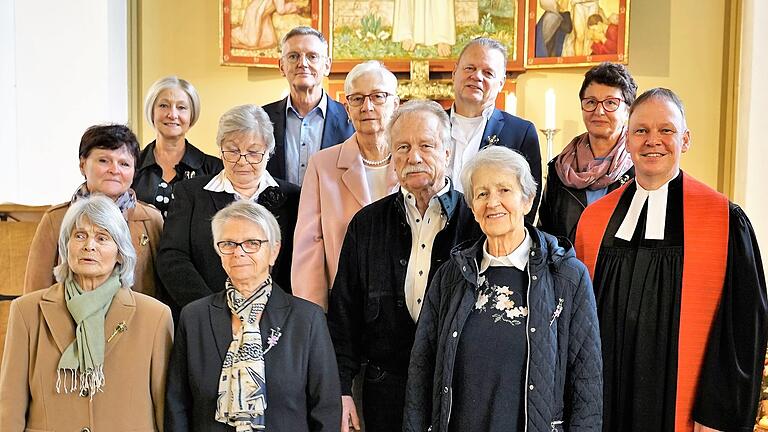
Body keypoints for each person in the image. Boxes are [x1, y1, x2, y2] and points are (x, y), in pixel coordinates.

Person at [575, 88, 768, 431]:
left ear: (686, 140)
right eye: (641, 131)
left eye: (666, 130)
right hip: (606, 399)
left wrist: (717, 416)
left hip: (682, 407)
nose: (653, 141)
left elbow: (743, 329)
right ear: (627, 140)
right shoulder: (594, 221)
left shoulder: (723, 220)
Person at [404, 146, 602, 432]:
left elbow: (587, 381)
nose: (492, 202)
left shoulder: (567, 276)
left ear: (527, 200)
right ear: (472, 208)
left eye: (504, 190)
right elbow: (420, 370)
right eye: (482, 194)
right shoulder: (450, 276)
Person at [328, 100, 482, 432]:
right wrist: (342, 390)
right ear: (392, 158)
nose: (413, 157)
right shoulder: (366, 224)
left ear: (447, 152)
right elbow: (343, 314)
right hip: (385, 392)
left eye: (426, 145)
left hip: (458, 391)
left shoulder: (476, 223)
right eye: (402, 147)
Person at [0, 196, 173, 431]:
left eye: (102, 238)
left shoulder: (156, 317)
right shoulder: (27, 311)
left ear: (121, 253)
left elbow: (165, 410)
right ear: (66, 246)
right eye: (79, 235)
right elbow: (9, 406)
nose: (89, 245)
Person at [165, 200, 340, 432]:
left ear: (274, 251)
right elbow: (177, 404)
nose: (239, 252)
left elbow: (326, 410)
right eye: (228, 244)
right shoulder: (194, 317)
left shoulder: (307, 319)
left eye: (252, 243)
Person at [157, 104, 299, 315]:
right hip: (206, 316)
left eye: (253, 152)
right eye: (233, 151)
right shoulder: (191, 193)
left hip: (275, 317)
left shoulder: (293, 197)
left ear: (268, 152)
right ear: (220, 148)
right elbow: (172, 258)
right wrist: (212, 310)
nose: (242, 161)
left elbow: (297, 262)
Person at [292, 60, 400, 309]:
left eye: (378, 96)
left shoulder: (412, 162)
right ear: (347, 109)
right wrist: (313, 315)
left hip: (404, 301)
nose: (367, 106)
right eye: (357, 99)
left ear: (396, 104)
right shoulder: (323, 165)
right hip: (344, 302)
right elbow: (309, 246)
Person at [24, 124, 163, 298]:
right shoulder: (56, 219)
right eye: (104, 160)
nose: (114, 170)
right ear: (83, 165)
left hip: (135, 322)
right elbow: (35, 292)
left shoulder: (152, 219)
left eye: (124, 164)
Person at [538, 62, 637, 242]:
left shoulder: (639, 168)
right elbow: (545, 234)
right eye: (591, 102)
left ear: (628, 110)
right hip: (567, 267)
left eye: (610, 103)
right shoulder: (560, 168)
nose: (599, 111)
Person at [449, 37, 542, 223]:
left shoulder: (520, 132)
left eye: (488, 73)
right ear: (454, 72)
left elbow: (528, 199)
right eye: (469, 68)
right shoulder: (432, 125)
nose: (476, 76)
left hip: (490, 244)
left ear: (501, 82)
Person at [264, 26, 355, 185]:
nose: (302, 64)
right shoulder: (262, 119)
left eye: (312, 56)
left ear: (327, 65)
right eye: (293, 56)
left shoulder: (351, 119)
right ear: (281, 66)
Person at [132, 76, 223, 218]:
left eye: (181, 107)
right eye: (163, 105)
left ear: (192, 115)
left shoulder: (214, 169)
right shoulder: (131, 165)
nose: (172, 114)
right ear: (152, 112)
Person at [231, 0, 300, 50]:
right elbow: (281, 10)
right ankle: (231, 33)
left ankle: (239, 41)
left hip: (264, 15)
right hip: (255, 13)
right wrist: (295, 7)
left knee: (270, 42)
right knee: (252, 42)